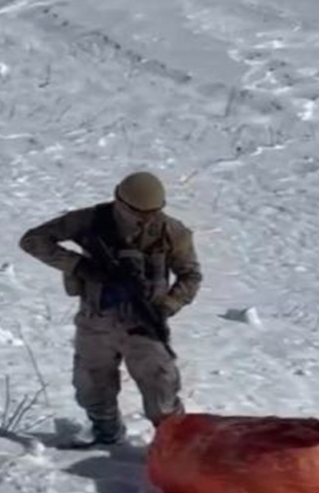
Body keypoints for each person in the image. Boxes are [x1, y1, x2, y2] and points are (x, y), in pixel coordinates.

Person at [19, 171, 202, 444]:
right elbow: (33, 240)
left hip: (144, 323)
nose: (146, 219)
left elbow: (190, 275)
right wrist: (79, 266)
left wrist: (166, 306)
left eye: (153, 212)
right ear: (120, 201)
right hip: (97, 318)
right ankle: (107, 436)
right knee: (91, 386)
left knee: (161, 389)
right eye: (139, 212)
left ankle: (175, 446)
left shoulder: (172, 232)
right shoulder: (90, 221)